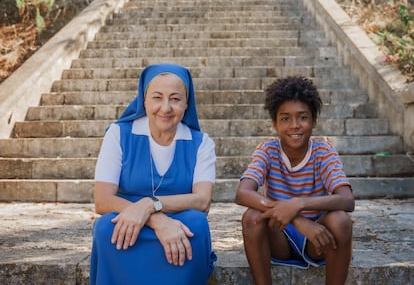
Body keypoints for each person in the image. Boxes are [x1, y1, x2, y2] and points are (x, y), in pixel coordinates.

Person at [90, 63, 217, 285]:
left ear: (187, 103)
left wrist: (150, 204)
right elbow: (102, 200)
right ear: (144, 99)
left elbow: (202, 200)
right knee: (104, 227)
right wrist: (156, 220)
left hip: (179, 220)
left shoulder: (201, 143)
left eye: (175, 99)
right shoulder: (119, 134)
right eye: (157, 97)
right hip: (129, 218)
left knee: (196, 224)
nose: (165, 108)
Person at [235, 76, 355, 285]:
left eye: (303, 117)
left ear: (314, 121)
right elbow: (243, 193)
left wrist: (299, 204)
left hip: (316, 239)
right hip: (278, 236)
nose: (295, 125)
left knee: (340, 220)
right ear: (274, 123)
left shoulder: (323, 152)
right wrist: (296, 219)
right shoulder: (268, 151)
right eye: (285, 118)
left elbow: (347, 200)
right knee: (252, 217)